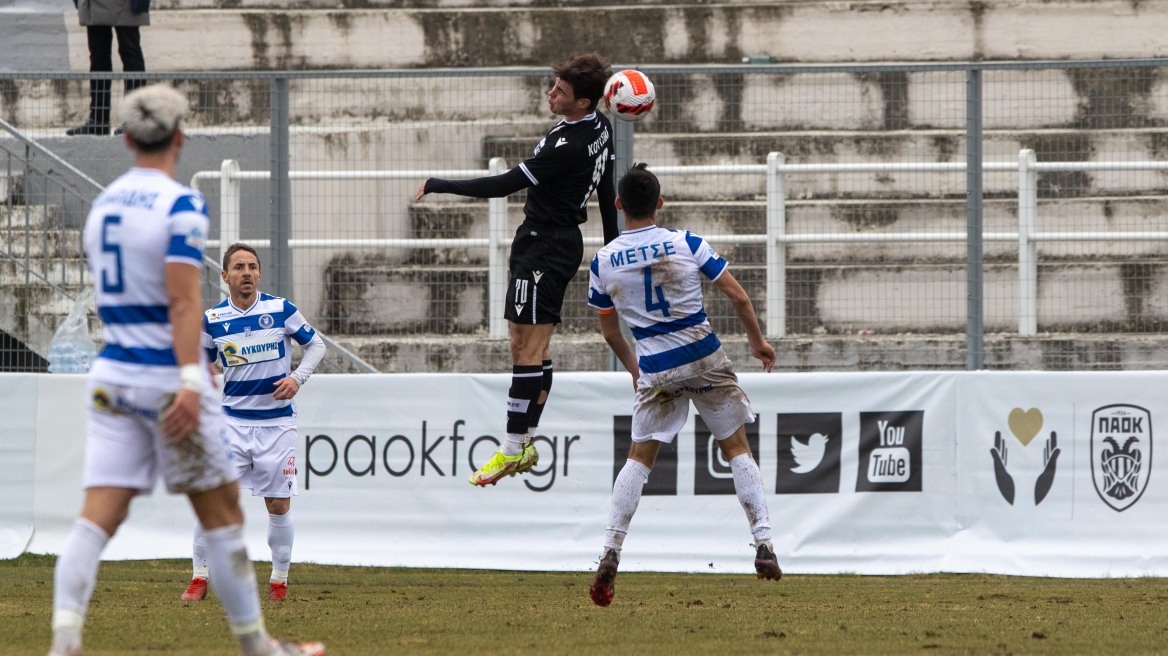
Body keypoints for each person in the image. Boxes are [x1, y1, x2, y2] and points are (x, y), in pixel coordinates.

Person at [50, 84, 324, 656]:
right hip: (163, 380)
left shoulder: (104, 207)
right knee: (224, 514)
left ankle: (64, 639)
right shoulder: (181, 205)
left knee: (95, 517)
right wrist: (194, 380)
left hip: (111, 374)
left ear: (125, 139)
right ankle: (258, 646)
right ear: (180, 138)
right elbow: (181, 301)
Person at [416, 52, 619, 487]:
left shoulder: (572, 145)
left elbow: (505, 184)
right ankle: (525, 440)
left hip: (545, 247)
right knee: (527, 341)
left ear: (583, 102)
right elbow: (605, 187)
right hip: (547, 243)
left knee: (528, 346)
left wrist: (441, 184)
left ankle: (511, 449)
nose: (551, 93)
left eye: (561, 91)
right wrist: (615, 245)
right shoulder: (600, 126)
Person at [584, 163, 781, 608]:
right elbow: (738, 296)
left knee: (638, 459)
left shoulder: (603, 260)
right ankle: (764, 544)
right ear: (660, 202)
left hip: (656, 368)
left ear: (617, 205)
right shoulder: (685, 242)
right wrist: (758, 342)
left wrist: (635, 368)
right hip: (704, 357)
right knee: (737, 448)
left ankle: (611, 552)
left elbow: (610, 331)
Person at [181, 242, 326, 604]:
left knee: (277, 505)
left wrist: (297, 378)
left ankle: (279, 581)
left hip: (277, 426)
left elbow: (317, 346)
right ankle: (199, 578)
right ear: (225, 275)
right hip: (231, 424)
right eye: (239, 267)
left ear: (259, 273)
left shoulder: (280, 310)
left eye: (252, 267)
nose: (247, 273)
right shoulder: (213, 320)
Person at [66, 0, 149, 136]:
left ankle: (134, 119)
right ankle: (98, 120)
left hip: (126, 4)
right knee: (98, 57)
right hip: (92, 5)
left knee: (130, 53)